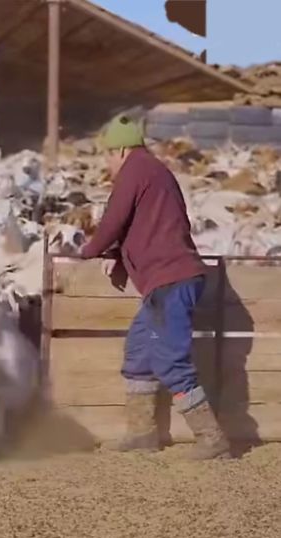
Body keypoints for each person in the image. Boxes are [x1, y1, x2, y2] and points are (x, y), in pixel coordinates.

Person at [79, 114, 230, 460]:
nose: (107, 164)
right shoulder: (153, 172)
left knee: (170, 360)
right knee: (139, 353)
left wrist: (90, 250)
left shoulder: (135, 170)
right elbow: (140, 222)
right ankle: (142, 432)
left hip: (170, 280)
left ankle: (211, 437)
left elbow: (115, 219)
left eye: (107, 155)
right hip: (167, 280)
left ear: (119, 150)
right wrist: (115, 253)